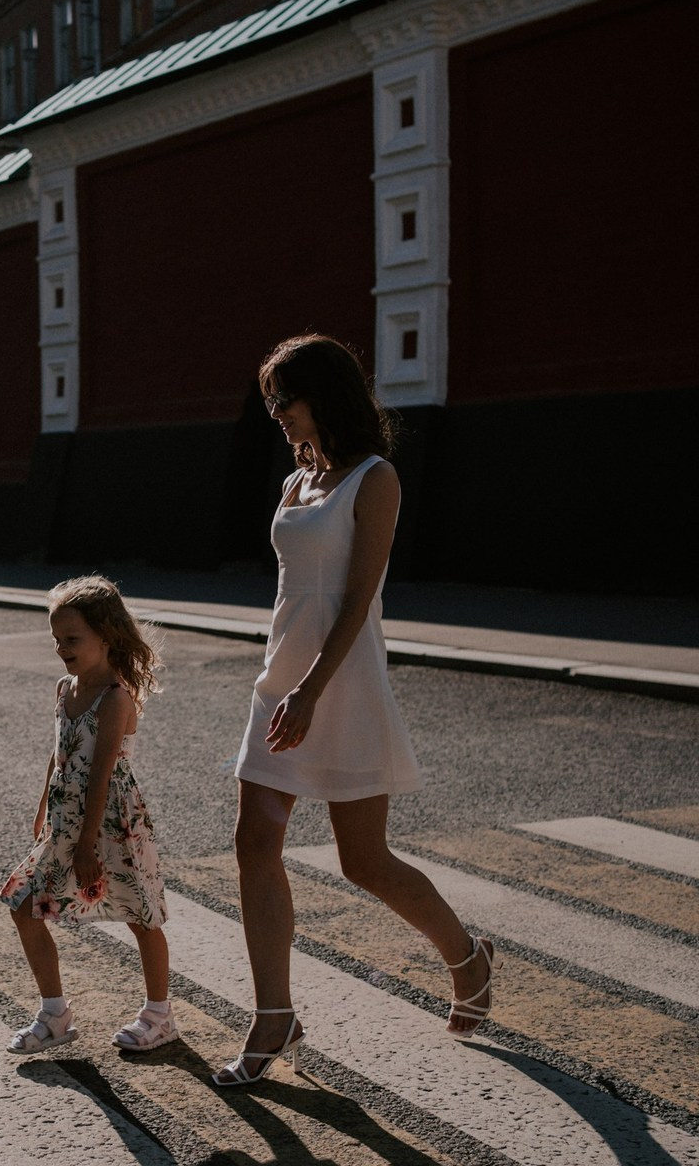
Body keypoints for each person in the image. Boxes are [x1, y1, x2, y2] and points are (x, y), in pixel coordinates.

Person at [214, 334, 497, 1087]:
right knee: (254, 844)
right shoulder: (294, 482)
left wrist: (312, 689)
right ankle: (274, 1016)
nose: (274, 413)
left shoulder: (375, 479)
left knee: (363, 861)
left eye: (285, 398)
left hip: (339, 681)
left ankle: (467, 957)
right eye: (269, 400)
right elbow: (292, 593)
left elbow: (359, 599)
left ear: (324, 394)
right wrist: (286, 681)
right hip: (282, 678)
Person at [0, 575, 176, 1055]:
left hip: (113, 822)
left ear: (107, 636)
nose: (62, 648)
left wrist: (84, 845)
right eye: (56, 639)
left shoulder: (115, 697)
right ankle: (54, 1014)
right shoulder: (65, 688)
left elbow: (101, 777)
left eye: (72, 639)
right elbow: (58, 755)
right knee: (22, 907)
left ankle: (159, 1015)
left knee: (142, 915)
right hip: (65, 820)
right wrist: (43, 810)